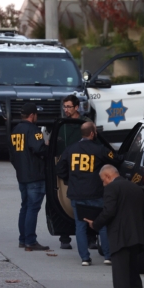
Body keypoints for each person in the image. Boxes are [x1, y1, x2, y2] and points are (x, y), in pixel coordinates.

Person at [85, 165, 144, 288]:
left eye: (102, 180)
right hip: (136, 238)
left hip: (120, 238)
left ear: (107, 176)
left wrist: (95, 224)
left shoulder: (112, 188)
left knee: (120, 280)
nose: (103, 184)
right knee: (134, 278)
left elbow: (109, 211)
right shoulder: (136, 188)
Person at [56, 122, 119, 265]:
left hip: (77, 194)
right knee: (102, 224)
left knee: (80, 226)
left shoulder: (70, 149)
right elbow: (116, 159)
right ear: (92, 133)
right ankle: (108, 257)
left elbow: (59, 169)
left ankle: (85, 258)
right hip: (96, 193)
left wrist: (69, 179)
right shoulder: (99, 149)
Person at [9, 102, 50, 251]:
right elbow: (39, 149)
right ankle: (30, 241)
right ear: (32, 115)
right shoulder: (33, 130)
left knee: (25, 207)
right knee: (32, 208)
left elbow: (12, 155)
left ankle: (23, 239)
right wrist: (47, 145)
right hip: (35, 175)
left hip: (22, 175)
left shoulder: (15, 130)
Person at [56, 94, 94, 250]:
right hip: (65, 167)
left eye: (69, 107)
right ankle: (64, 236)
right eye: (64, 107)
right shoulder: (61, 124)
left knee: (88, 204)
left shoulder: (85, 124)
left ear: (77, 107)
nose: (66, 110)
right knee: (63, 201)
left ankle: (91, 237)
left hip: (84, 168)